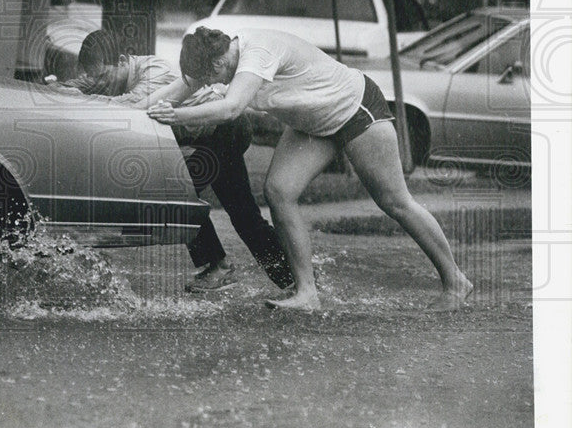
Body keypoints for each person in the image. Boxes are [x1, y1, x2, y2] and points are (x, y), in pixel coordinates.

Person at [145, 26, 473, 311]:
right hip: (314, 123)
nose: (208, 84)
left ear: (218, 63)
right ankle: (307, 292)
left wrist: (178, 116)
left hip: (355, 110)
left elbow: (232, 108)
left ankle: (455, 281)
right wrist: (122, 108)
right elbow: (173, 93)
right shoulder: (221, 58)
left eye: (209, 78)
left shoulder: (256, 52)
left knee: (395, 202)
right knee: (279, 191)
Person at [53, 29, 294, 292]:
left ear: (123, 61)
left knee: (178, 193)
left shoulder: (154, 72)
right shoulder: (112, 74)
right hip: (214, 135)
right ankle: (292, 278)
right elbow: (89, 84)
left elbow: (131, 109)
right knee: (242, 212)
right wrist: (61, 89)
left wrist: (83, 100)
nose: (99, 83)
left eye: (102, 76)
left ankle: (223, 268)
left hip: (226, 131)